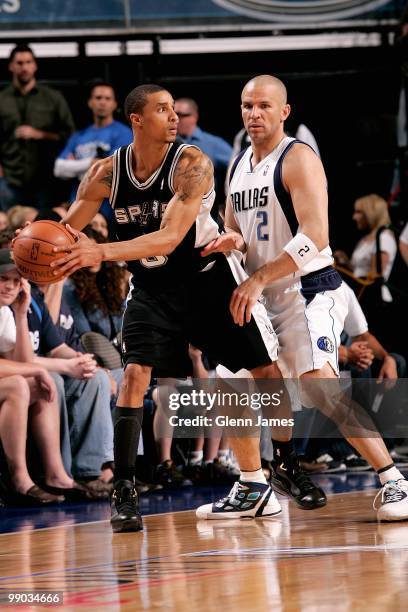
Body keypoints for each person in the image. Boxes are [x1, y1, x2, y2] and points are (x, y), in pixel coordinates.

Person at [49, 83, 291, 533]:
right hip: (152, 287)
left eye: (173, 108)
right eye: (162, 109)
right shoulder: (106, 172)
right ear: (136, 120)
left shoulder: (192, 163)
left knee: (265, 372)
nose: (174, 115)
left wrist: (100, 252)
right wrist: (42, 242)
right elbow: (67, 228)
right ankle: (124, 489)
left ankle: (285, 462)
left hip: (206, 281)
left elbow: (169, 238)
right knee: (135, 375)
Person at [201, 74, 408, 522]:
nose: (253, 113)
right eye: (246, 105)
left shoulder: (298, 159)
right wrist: (229, 241)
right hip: (261, 292)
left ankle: (393, 480)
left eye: (262, 106)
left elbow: (315, 236)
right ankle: (253, 486)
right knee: (230, 380)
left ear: (284, 112)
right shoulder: (237, 164)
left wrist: (259, 278)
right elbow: (238, 227)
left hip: (305, 290)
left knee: (320, 389)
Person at [0, 44, 75, 211]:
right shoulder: (2, 99)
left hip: (45, 179)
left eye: (28, 62)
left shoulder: (52, 97)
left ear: (35, 65)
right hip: (10, 179)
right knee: (7, 231)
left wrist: (40, 134)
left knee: (44, 230)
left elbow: (70, 135)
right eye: (19, 63)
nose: (24, 67)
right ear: (11, 66)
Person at [54, 81, 132, 220]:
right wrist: (91, 162)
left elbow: (112, 169)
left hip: (108, 207)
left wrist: (75, 167)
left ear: (114, 104)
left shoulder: (124, 133)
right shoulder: (78, 136)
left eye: (107, 98)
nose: (102, 102)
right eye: (98, 98)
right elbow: (59, 168)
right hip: (76, 203)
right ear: (90, 102)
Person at [334, 194, 397, 302]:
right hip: (358, 294)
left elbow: (373, 279)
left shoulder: (384, 238)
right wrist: (346, 262)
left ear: (372, 213)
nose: (354, 217)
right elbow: (359, 272)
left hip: (372, 301)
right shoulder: (365, 239)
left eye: (359, 212)